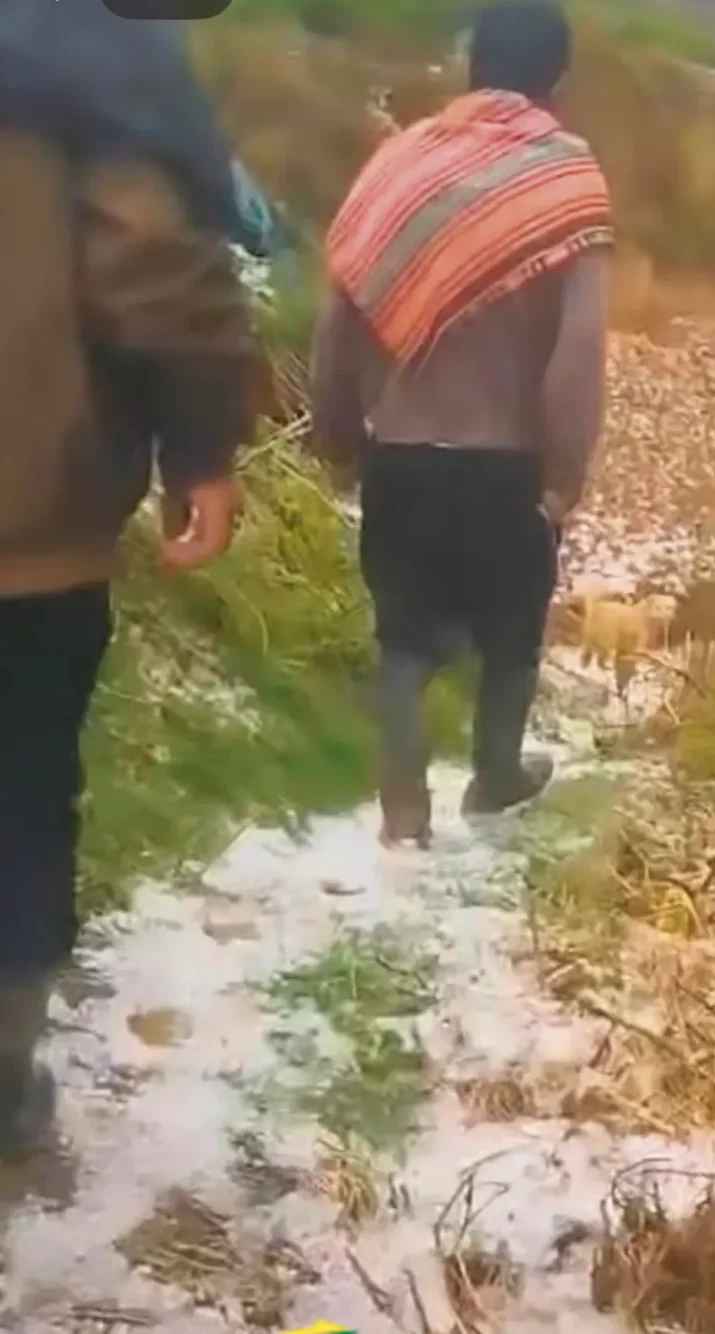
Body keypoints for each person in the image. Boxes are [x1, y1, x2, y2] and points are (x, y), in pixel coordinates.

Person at [0, 0, 261, 1152]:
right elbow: (154, 270)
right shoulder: (87, 60)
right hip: (24, 536)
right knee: (17, 794)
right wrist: (200, 447)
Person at [312, 0, 612, 847]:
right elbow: (579, 348)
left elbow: (338, 313)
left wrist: (337, 434)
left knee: (404, 642)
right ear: (559, 82)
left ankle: (403, 810)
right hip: (506, 464)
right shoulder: (567, 184)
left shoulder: (398, 167)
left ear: (471, 66)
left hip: (402, 453)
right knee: (512, 637)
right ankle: (495, 774)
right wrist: (564, 477)